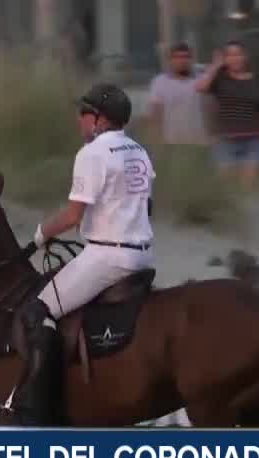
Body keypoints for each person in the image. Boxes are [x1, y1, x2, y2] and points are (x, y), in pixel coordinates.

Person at [11, 83, 157, 427]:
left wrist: (40, 234)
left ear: (100, 120)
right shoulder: (139, 150)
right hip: (142, 254)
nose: (79, 120)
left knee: (37, 311)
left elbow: (73, 215)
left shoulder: (91, 154)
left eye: (84, 114)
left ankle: (37, 409)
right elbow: (145, 205)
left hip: (108, 257)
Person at [196, 40, 259, 189]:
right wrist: (216, 65)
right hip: (225, 140)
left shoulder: (258, 81)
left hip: (254, 140)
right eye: (230, 55)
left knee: (249, 185)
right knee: (225, 185)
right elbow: (200, 87)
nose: (234, 58)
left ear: (245, 56)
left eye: (238, 54)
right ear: (225, 59)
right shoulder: (219, 78)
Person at [146, 42, 208, 146]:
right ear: (171, 60)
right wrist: (156, 138)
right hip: (170, 143)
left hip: (197, 142)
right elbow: (156, 113)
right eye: (177, 57)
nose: (182, 61)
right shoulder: (160, 82)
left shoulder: (201, 80)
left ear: (191, 59)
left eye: (185, 57)